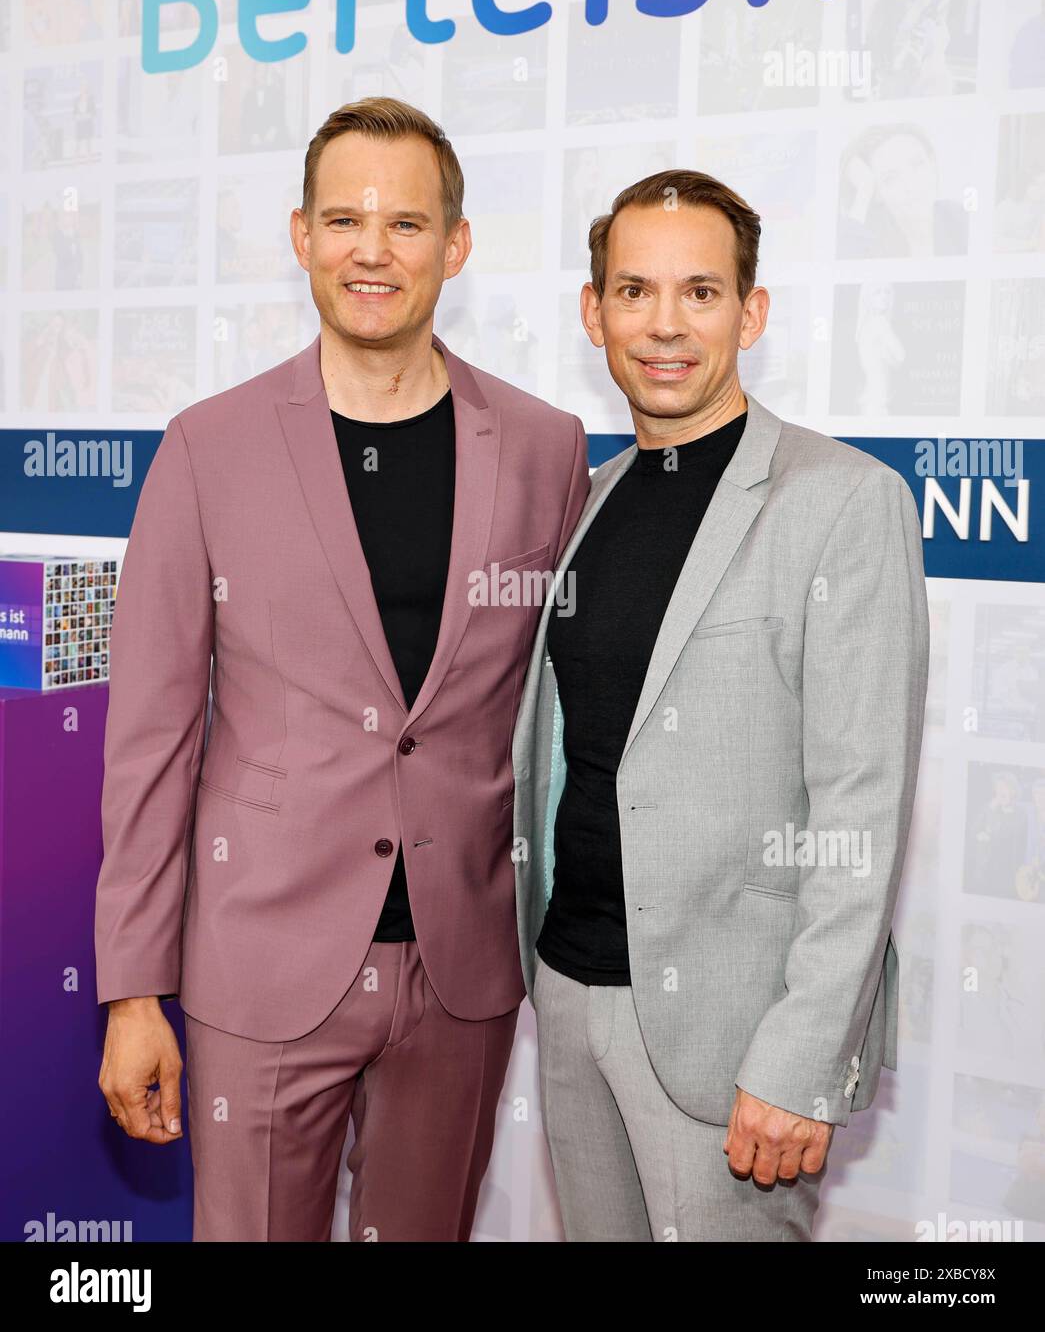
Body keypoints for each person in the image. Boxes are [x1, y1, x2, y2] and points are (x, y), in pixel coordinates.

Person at [95, 96, 590, 1242]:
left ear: (455, 245)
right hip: (260, 956)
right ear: (301, 236)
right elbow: (151, 740)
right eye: (345, 219)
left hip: (462, 962)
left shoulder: (543, 444)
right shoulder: (206, 448)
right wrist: (130, 989)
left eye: (407, 222)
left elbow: (556, 715)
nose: (374, 249)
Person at [512, 168, 930, 1241]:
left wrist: (801, 1056)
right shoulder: (593, 499)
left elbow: (861, 810)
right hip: (569, 990)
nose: (664, 324)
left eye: (699, 292)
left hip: (735, 1041)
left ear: (750, 312)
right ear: (592, 310)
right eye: (635, 290)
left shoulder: (840, 501)